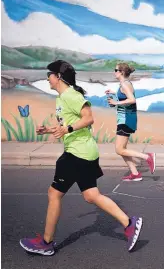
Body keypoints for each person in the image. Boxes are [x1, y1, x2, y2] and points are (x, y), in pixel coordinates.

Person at [19, 60, 143, 256]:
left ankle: (46, 242)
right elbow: (70, 124)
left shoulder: (71, 96)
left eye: (49, 75)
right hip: (83, 151)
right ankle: (129, 223)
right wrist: (50, 130)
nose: (47, 79)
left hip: (77, 153)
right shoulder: (61, 98)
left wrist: (66, 129)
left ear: (58, 77)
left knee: (54, 194)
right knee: (91, 195)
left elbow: (88, 118)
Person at [105, 63, 156, 181]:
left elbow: (132, 100)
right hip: (126, 118)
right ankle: (135, 173)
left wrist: (115, 103)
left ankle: (147, 157)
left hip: (126, 120)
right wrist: (114, 94)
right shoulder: (125, 84)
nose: (114, 72)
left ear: (121, 72)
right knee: (122, 149)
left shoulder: (124, 84)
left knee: (119, 149)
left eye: (116, 70)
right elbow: (125, 97)